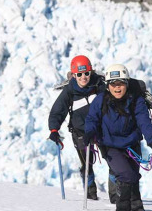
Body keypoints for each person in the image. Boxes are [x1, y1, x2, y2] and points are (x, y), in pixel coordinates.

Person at [84, 64, 152, 211]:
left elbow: (145, 124)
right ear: (108, 85)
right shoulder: (101, 100)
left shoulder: (136, 101)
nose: (117, 87)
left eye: (120, 83)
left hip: (132, 145)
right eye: (113, 84)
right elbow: (91, 119)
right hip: (110, 146)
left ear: (127, 83)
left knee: (133, 177)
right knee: (126, 176)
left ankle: (137, 207)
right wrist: (89, 133)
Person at [48, 55, 105, 201]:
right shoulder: (69, 91)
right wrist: (54, 129)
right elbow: (58, 111)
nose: (83, 77)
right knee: (87, 163)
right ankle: (90, 191)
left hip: (101, 129)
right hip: (80, 131)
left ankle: (115, 194)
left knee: (112, 158)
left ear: (91, 72)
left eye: (86, 73)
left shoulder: (99, 86)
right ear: (74, 75)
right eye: (79, 74)